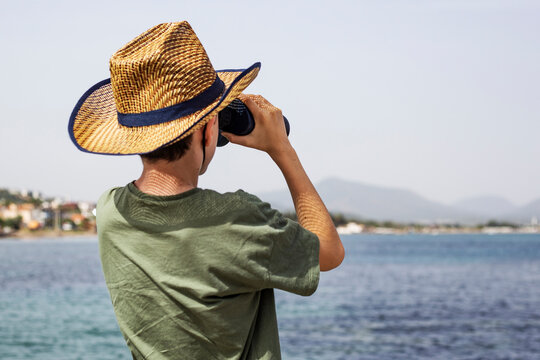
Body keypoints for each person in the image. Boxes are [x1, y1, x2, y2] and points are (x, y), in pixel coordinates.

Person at [68, 21, 344, 359]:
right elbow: (329, 252)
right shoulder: (239, 219)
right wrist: (281, 149)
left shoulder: (111, 211)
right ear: (210, 127)